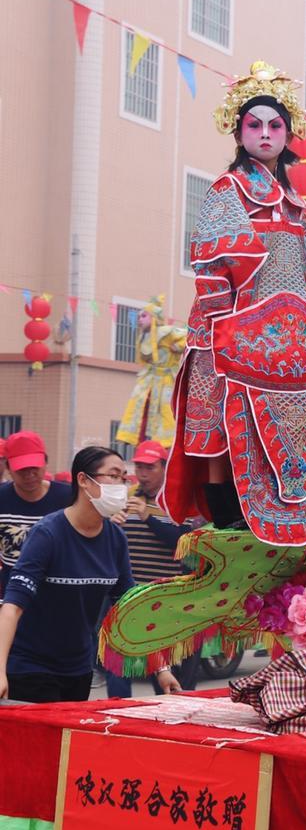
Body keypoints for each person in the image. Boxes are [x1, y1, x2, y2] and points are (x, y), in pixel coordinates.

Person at [161, 61, 306, 545]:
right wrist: (226, 332)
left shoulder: (294, 201)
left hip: (283, 336)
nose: (265, 134)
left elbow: (305, 274)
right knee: (221, 426)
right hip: (229, 330)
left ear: (289, 135)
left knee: (295, 415)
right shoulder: (228, 190)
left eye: (275, 126)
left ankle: (286, 504)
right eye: (255, 125)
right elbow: (211, 269)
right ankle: (227, 511)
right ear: (238, 133)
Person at [0, 446, 134, 702]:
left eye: (124, 478)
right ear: (83, 480)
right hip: (31, 667)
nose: (121, 486)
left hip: (79, 668)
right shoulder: (48, 533)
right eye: (114, 476)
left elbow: (129, 606)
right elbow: (12, 605)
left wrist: (161, 668)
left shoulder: (116, 538)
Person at [104, 440, 198, 698]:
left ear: (165, 468)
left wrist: (148, 518)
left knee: (163, 670)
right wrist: (110, 526)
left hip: (163, 598)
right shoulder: (125, 498)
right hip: (125, 596)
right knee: (119, 664)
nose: (143, 474)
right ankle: (117, 712)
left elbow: (181, 543)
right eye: (139, 467)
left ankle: (165, 714)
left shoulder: (178, 501)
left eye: (150, 467)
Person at [0, 430, 72, 595]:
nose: (30, 475)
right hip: (12, 592)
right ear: (9, 468)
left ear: (45, 462)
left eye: (34, 467)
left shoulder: (68, 497)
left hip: (58, 591)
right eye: (22, 469)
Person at [117, 295, 186, 450]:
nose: (140, 320)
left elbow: (189, 334)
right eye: (139, 316)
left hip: (166, 379)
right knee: (138, 404)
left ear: (154, 318)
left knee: (166, 410)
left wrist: (178, 347)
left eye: (144, 316)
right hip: (149, 379)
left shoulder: (167, 332)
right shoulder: (144, 337)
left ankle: (167, 441)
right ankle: (132, 436)